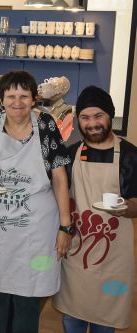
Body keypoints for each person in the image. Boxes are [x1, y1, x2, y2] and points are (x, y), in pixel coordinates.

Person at [0, 70, 72, 333]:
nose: (17, 102)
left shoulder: (47, 125)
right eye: (11, 95)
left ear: (33, 99)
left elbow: (60, 178)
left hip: (34, 229)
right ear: (2, 99)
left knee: (28, 297)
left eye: (24, 96)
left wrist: (65, 227)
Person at [53, 85, 137, 333]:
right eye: (85, 118)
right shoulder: (70, 155)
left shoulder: (130, 156)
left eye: (98, 116)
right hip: (77, 251)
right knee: (72, 319)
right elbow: (61, 197)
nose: (92, 124)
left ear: (110, 116)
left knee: (105, 322)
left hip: (113, 255)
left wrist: (127, 207)